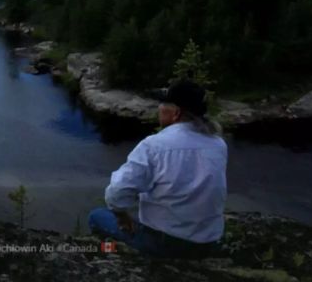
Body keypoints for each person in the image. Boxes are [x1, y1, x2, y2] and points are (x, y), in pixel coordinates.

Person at [89, 79, 227, 258]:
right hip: (207, 243)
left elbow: (116, 193)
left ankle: (113, 256)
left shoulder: (154, 145)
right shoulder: (218, 144)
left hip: (165, 245)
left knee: (97, 216)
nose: (158, 108)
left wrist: (122, 217)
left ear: (176, 113)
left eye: (162, 104)